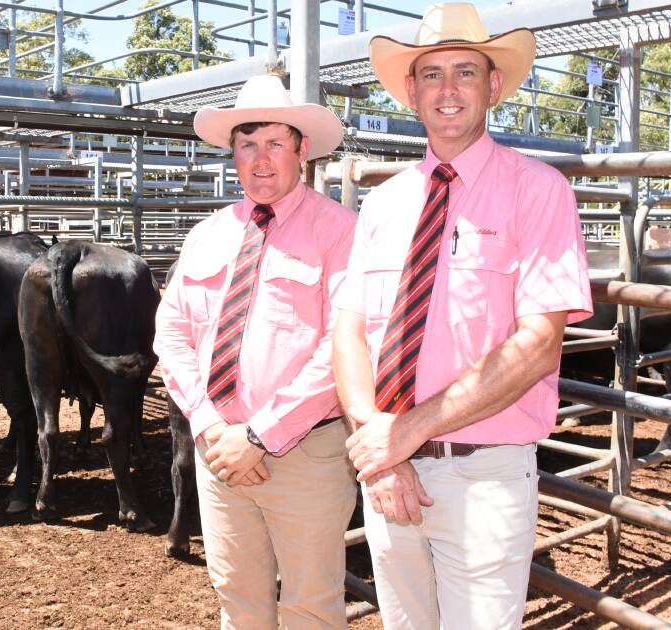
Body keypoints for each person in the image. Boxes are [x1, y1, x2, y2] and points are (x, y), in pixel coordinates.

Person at [332, 4, 594, 629]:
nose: (447, 90)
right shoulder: (384, 203)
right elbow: (348, 332)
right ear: (412, 91)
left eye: (465, 72)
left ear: (494, 86)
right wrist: (385, 449)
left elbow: (538, 346)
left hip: (483, 474)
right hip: (390, 473)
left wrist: (407, 430)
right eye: (431, 74)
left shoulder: (538, 190)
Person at [153, 72, 357, 628]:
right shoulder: (207, 234)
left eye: (274, 144)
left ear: (302, 150)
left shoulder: (339, 231)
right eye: (248, 145)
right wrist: (207, 423)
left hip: (304, 453)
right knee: (236, 599)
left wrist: (259, 434)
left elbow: (344, 343)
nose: (260, 160)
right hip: (218, 451)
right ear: (233, 153)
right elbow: (170, 333)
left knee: (310, 605)